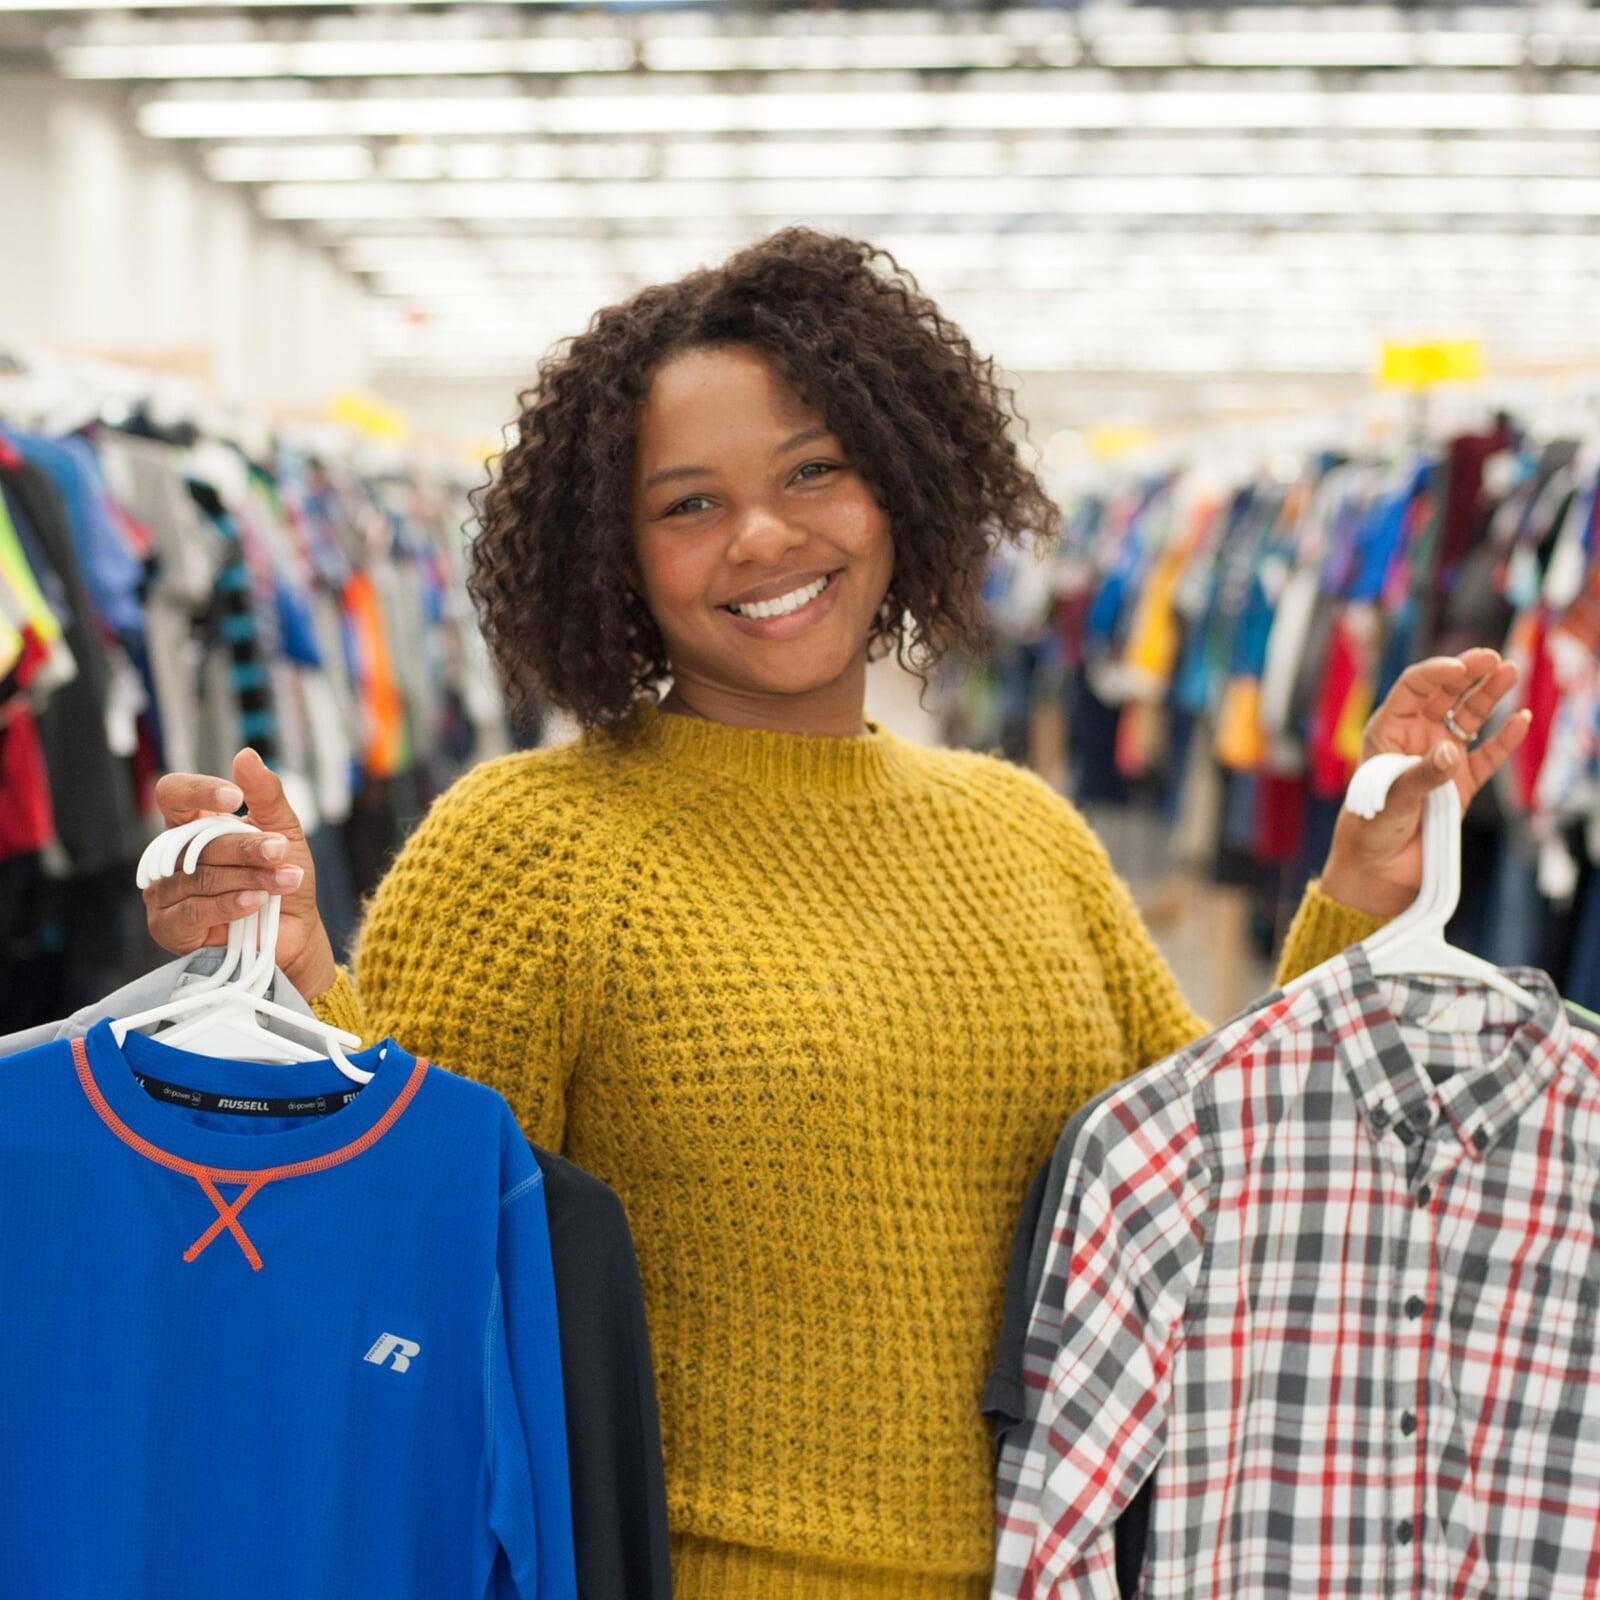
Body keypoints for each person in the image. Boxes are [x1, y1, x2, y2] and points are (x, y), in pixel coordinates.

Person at [144, 229, 1530, 1600]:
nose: (764, 536)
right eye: (687, 504)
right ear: (613, 555)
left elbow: (1220, 1182)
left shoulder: (1021, 832)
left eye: (816, 470)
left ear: (902, 484)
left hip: (1051, 1568)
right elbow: (412, 1245)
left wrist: (1364, 886)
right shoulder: (532, 845)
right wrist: (294, 977)